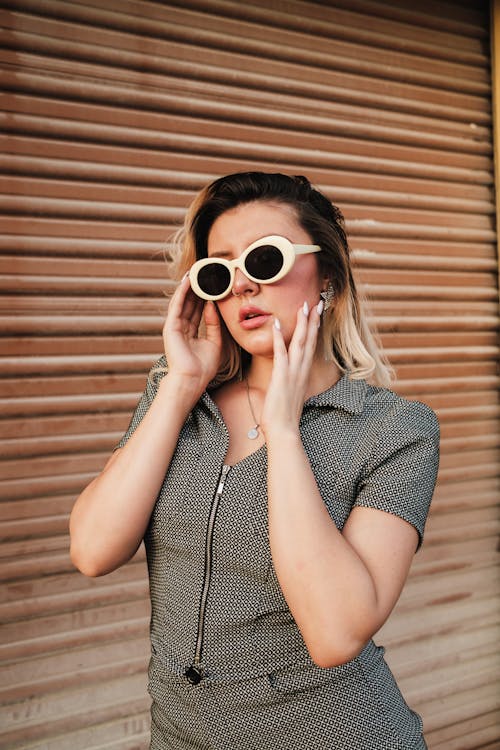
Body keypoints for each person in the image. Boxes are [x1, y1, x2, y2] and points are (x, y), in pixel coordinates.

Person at [70, 171, 440, 749]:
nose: (241, 284)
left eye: (265, 260)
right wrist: (180, 384)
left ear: (329, 278)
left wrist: (285, 432)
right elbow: (92, 551)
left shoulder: (394, 429)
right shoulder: (178, 396)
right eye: (218, 270)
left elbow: (335, 633)